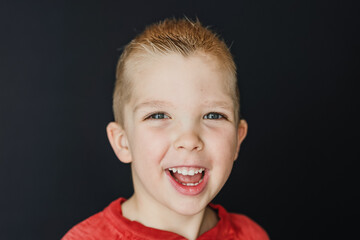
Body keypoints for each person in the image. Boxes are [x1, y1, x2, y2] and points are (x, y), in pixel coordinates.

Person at [62, 18, 269, 240]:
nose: (189, 140)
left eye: (213, 115)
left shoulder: (251, 235)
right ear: (123, 142)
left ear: (238, 139)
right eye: (158, 115)